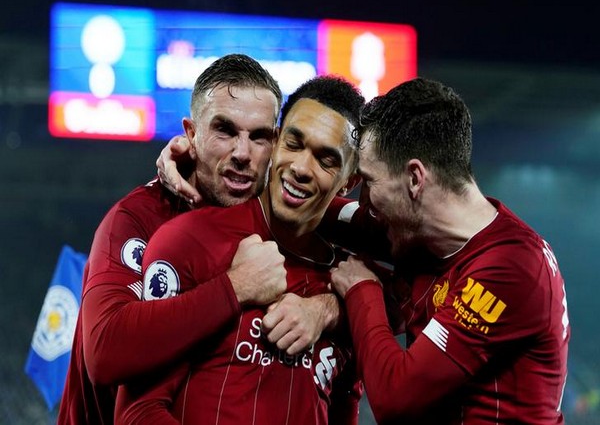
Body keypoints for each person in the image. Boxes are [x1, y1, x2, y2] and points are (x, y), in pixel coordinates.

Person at [58, 54, 341, 424]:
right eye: (224, 130)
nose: (242, 153)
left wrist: (327, 308)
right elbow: (104, 350)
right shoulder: (139, 218)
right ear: (192, 134)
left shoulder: (284, 220)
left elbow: (394, 267)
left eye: (259, 136)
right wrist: (236, 286)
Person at [330, 77, 571, 424]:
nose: (363, 199)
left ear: (415, 178)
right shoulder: (427, 235)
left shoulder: (511, 266)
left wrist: (360, 289)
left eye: (369, 181)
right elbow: (335, 216)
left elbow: (393, 398)